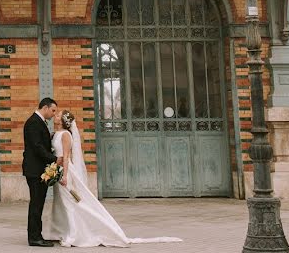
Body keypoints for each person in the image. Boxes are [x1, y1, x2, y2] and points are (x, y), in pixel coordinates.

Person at [43, 110, 182, 248]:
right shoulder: (56, 134)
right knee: (61, 202)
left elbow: (66, 157)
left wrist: (65, 175)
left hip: (66, 172)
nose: (55, 116)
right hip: (58, 170)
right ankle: (61, 231)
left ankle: (73, 235)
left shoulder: (66, 135)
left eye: (58, 115)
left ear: (63, 121)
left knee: (70, 203)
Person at [23, 98, 60, 247]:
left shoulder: (39, 122)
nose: (53, 114)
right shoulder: (33, 122)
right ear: (45, 107)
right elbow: (37, 147)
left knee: (38, 204)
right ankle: (34, 237)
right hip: (35, 170)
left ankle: (37, 235)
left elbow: (40, 142)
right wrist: (54, 159)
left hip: (38, 170)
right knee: (36, 204)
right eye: (53, 110)